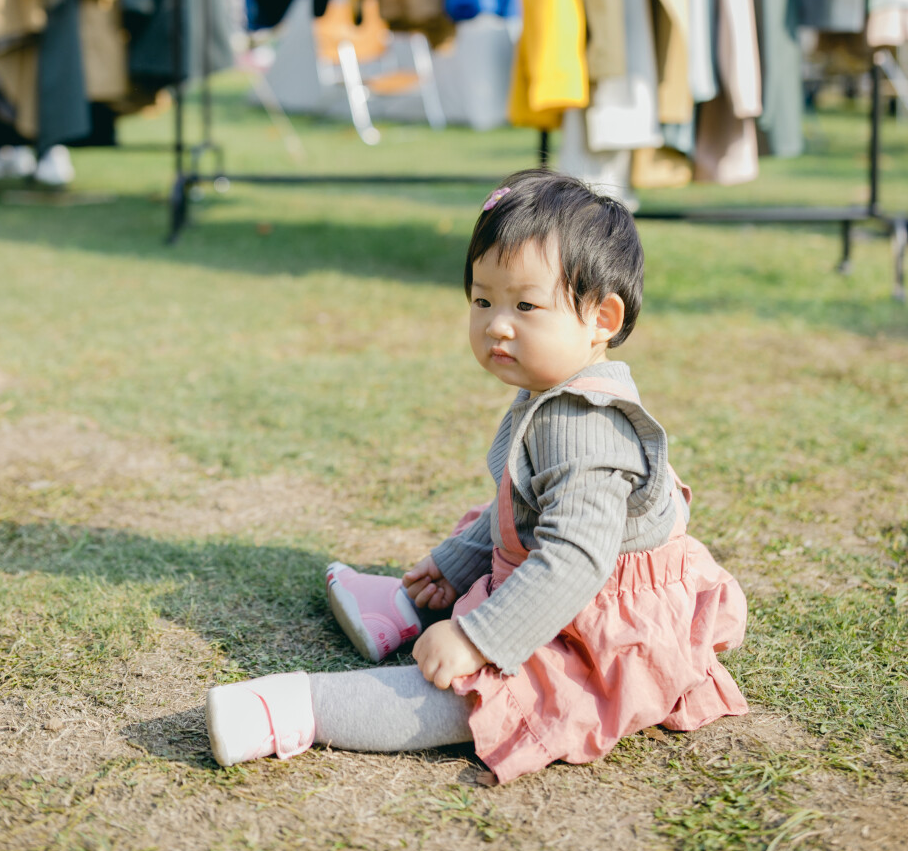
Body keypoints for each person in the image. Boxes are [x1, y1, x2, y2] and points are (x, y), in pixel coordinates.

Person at [205, 170, 748, 783]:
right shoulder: (551, 388)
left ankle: (296, 709)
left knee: (480, 693)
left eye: (525, 304)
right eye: (482, 299)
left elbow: (573, 559)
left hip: (598, 619)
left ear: (602, 316)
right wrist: (454, 566)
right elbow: (518, 509)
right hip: (557, 582)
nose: (497, 324)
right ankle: (404, 608)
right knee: (478, 573)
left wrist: (481, 640)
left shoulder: (586, 427)